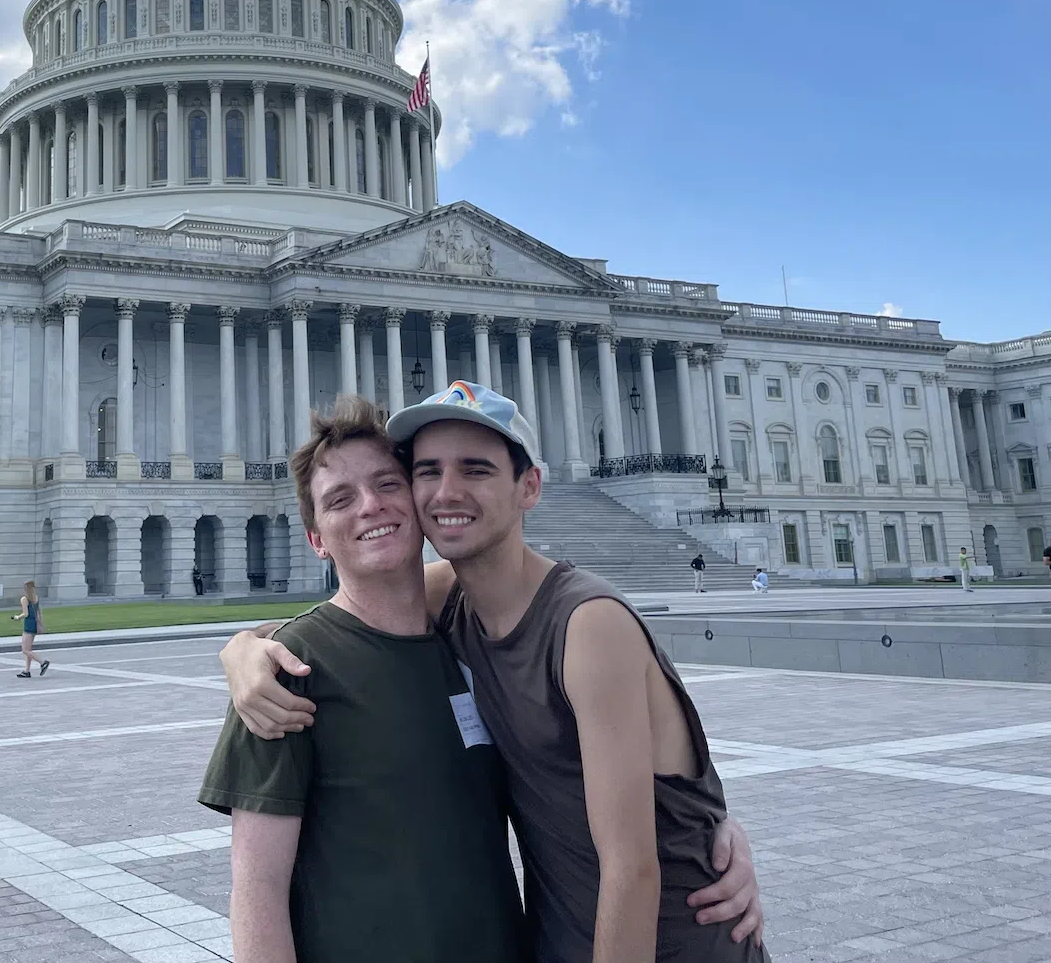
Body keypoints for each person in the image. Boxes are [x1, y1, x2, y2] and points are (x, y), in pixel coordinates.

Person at [223, 384, 768, 962]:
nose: (447, 491)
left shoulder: (588, 625)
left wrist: (714, 825)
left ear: (528, 486)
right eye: (428, 471)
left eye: (476, 469)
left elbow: (632, 869)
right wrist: (243, 650)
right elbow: (352, 612)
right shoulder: (453, 605)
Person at [199, 395, 528, 963]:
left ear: (418, 501)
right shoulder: (289, 669)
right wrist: (245, 646)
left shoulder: (469, 634)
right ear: (317, 538)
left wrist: (705, 822)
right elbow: (257, 886)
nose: (370, 507)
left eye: (388, 484)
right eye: (340, 499)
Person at [12, 579, 50, 678]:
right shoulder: (35, 597)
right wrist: (41, 623)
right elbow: (39, 611)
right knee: (29, 648)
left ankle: (42, 662)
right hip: (35, 624)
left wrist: (17, 617)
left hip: (28, 624)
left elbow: (25, 614)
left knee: (25, 650)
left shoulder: (24, 599)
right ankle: (27, 671)